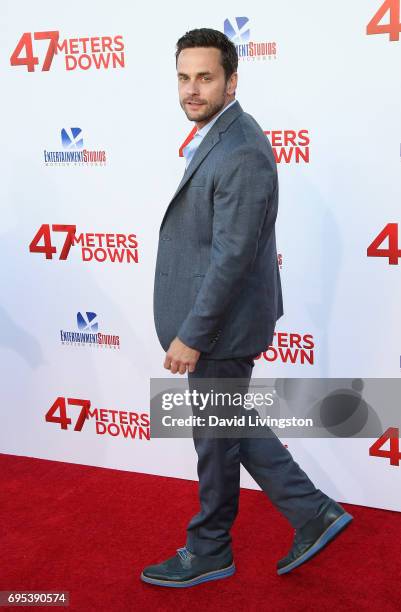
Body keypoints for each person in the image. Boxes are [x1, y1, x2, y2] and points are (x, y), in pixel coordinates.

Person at [141, 28, 353, 588]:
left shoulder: (240, 148)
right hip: (221, 323)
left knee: (216, 437)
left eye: (205, 78)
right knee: (225, 425)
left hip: (221, 327)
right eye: (184, 77)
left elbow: (232, 258)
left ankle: (214, 547)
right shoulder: (219, 135)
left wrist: (192, 333)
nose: (192, 89)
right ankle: (309, 513)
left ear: (232, 80)